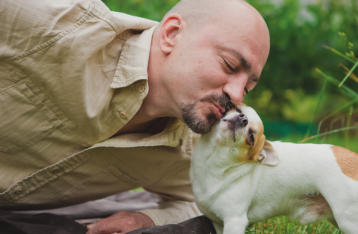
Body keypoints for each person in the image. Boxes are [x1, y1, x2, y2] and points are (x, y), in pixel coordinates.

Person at [0, 0, 270, 233]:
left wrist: (148, 218)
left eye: (248, 87)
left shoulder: (192, 149)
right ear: (172, 34)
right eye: (229, 65)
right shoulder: (56, 23)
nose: (237, 95)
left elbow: (202, 203)